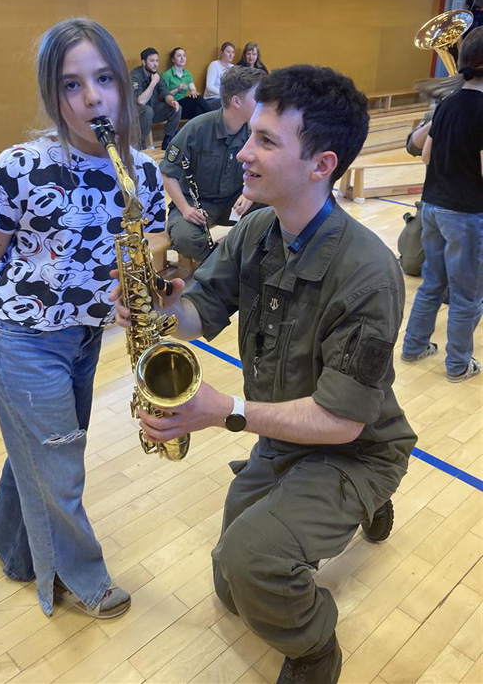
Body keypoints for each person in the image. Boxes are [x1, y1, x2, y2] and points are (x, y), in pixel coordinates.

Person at [112, 64, 416, 684]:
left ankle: (316, 649)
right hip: (282, 439)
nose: (243, 152)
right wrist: (159, 312)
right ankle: (332, 517)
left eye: (267, 141)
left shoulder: (368, 273)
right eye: (250, 133)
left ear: (321, 164)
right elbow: (201, 309)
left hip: (356, 449)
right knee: (233, 589)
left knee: (254, 563)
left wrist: (223, 411)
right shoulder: (256, 228)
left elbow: (339, 423)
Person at [0, 17, 166, 619]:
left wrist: (149, 290)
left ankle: (9, 545)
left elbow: (148, 250)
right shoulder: (20, 166)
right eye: (72, 84)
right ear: (53, 94)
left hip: (85, 340)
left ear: (123, 84)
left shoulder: (142, 172)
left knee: (41, 453)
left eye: (103, 79)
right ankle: (83, 578)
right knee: (61, 466)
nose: (92, 97)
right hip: (18, 340)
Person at [401, 26, 483, 383]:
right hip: (466, 213)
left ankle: (413, 347)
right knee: (467, 296)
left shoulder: (447, 104)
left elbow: (425, 156)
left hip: (433, 206)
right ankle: (458, 365)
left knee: (432, 284)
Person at [161, 66, 265, 262]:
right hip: (197, 203)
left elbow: (261, 169)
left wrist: (248, 194)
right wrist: (185, 209)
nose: (263, 102)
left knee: (276, 207)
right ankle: (222, 263)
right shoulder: (197, 128)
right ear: (236, 102)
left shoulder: (254, 130)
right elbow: (168, 173)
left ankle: (242, 254)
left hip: (234, 200)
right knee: (184, 238)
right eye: (257, 97)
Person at [130, 47, 181, 150]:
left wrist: (172, 101)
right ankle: (139, 145)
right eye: (152, 61)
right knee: (147, 110)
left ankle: (168, 141)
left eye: (157, 61)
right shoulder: (135, 76)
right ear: (143, 62)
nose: (155, 64)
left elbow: (165, 93)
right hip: (136, 113)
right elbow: (141, 101)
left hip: (153, 110)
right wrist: (153, 83)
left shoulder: (157, 75)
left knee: (177, 107)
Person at [162, 47, 212, 120]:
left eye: (184, 55)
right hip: (173, 106)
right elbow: (163, 96)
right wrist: (177, 89)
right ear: (173, 59)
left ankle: (210, 123)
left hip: (185, 106)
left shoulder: (187, 73)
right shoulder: (167, 75)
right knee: (197, 98)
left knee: (198, 110)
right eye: (179, 56)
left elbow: (193, 89)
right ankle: (214, 118)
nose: (182, 58)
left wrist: (193, 91)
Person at [204, 41, 236, 108]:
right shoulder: (214, 65)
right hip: (212, 98)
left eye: (233, 52)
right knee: (229, 105)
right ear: (221, 53)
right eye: (228, 52)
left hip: (226, 99)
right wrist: (224, 94)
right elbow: (209, 86)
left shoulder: (232, 67)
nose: (231, 54)